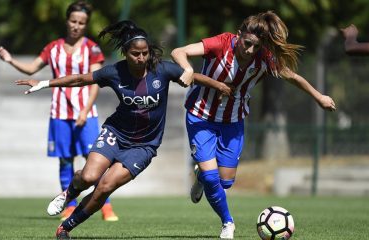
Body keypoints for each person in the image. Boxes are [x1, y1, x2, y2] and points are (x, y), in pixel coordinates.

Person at [15, 20, 231, 240]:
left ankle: (65, 228)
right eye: (136, 54)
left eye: (145, 53)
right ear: (125, 53)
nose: (141, 58)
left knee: (105, 187)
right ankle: (69, 193)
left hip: (144, 146)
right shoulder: (115, 72)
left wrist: (219, 85)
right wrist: (44, 83)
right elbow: (80, 79)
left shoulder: (162, 70)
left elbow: (193, 77)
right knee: (89, 177)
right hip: (115, 133)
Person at [171, 10, 336, 239]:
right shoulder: (221, 43)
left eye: (256, 46)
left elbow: (293, 77)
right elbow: (178, 51)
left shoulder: (264, 59)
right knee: (212, 179)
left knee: (225, 182)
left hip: (233, 122)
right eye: (247, 43)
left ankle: (201, 176)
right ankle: (227, 223)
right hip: (201, 117)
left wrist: (319, 97)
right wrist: (188, 69)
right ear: (239, 35)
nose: (250, 50)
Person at [0, 1, 118, 221]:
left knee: (95, 162)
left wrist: (85, 110)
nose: (76, 26)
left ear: (86, 24)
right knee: (65, 160)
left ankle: (105, 206)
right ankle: (69, 205)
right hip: (59, 114)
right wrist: (10, 60)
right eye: (73, 21)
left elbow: (94, 83)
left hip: (86, 114)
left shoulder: (92, 49)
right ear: (67, 21)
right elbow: (33, 68)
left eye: (81, 23)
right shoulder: (53, 47)